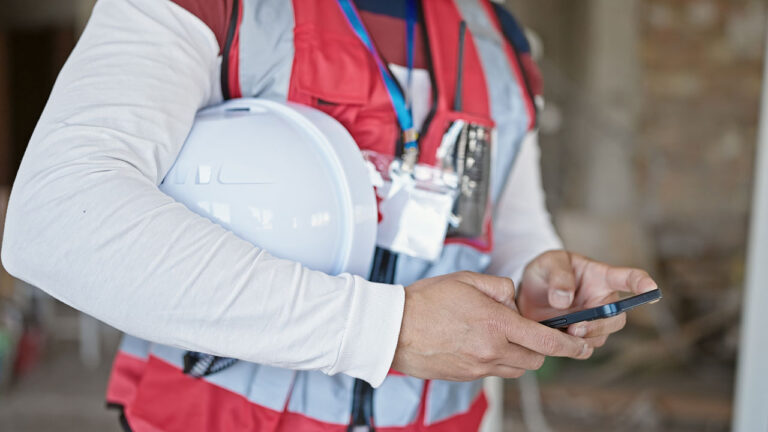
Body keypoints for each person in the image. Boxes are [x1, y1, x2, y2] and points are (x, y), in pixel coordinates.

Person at [0, 0, 657, 431]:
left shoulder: (502, 40)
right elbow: (56, 218)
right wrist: (385, 331)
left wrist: (541, 275)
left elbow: (508, 226)